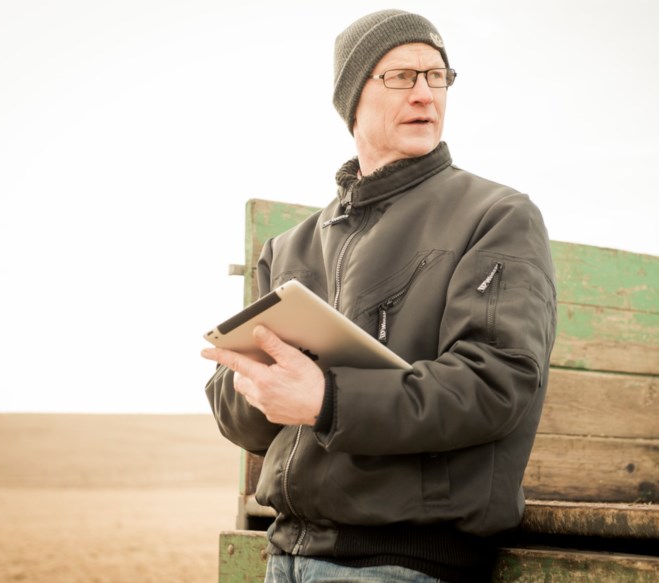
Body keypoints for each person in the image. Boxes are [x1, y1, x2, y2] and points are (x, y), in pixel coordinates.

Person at [202, 9, 556, 583]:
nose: (424, 94)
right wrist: (254, 384)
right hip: (284, 558)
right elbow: (242, 419)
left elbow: (496, 383)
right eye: (401, 77)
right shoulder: (289, 246)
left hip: (402, 564)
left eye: (436, 76)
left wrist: (327, 400)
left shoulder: (496, 216)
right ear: (351, 99)